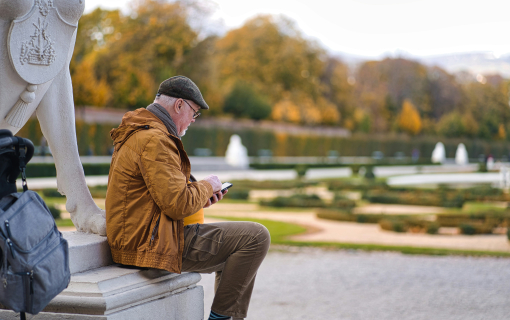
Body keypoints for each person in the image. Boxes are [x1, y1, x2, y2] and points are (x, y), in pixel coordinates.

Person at [105, 76, 270, 320]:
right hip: (150, 245)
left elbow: (162, 198)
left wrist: (202, 197)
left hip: (141, 238)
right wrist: (207, 185)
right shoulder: (155, 139)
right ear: (179, 105)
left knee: (241, 251)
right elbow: (177, 204)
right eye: (194, 112)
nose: (193, 119)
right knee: (255, 238)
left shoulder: (142, 132)